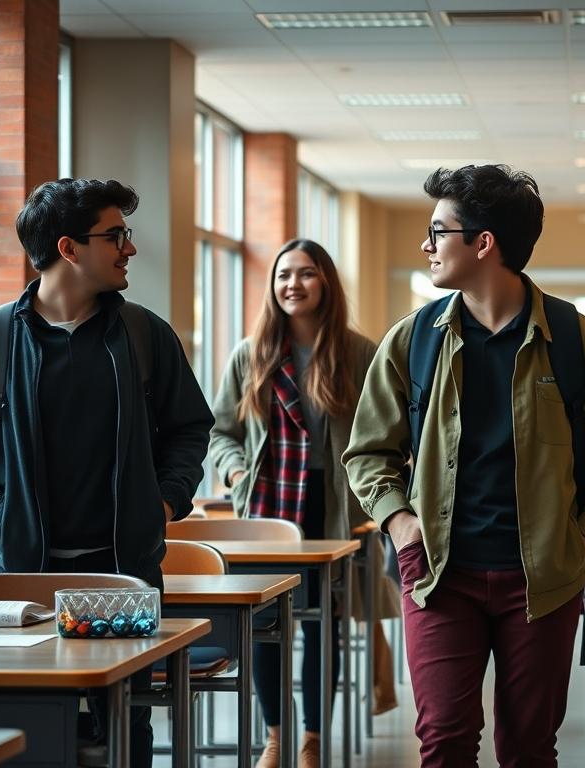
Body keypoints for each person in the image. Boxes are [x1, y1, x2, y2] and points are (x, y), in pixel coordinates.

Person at [343, 164, 585, 767]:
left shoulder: (577, 340)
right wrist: (402, 528)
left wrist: (582, 539)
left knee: (529, 747)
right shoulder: (413, 339)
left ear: (483, 243)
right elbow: (369, 453)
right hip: (437, 576)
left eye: (439, 231)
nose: (426, 246)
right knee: (445, 740)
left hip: (542, 581)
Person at [0, 178, 214, 768]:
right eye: (117, 236)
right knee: (31, 729)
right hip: (23, 583)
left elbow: (189, 427)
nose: (129, 248)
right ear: (69, 249)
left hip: (122, 578)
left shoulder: (144, 334)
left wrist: (163, 501)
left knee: (125, 732)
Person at [207, 239, 400, 768]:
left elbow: (386, 430)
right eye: (284, 275)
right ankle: (276, 735)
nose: (293, 284)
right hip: (267, 509)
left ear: (326, 283)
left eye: (307, 273)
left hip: (333, 507)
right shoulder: (251, 354)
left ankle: (312, 739)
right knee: (265, 625)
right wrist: (238, 470)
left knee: (324, 625)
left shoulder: (359, 353)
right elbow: (220, 431)